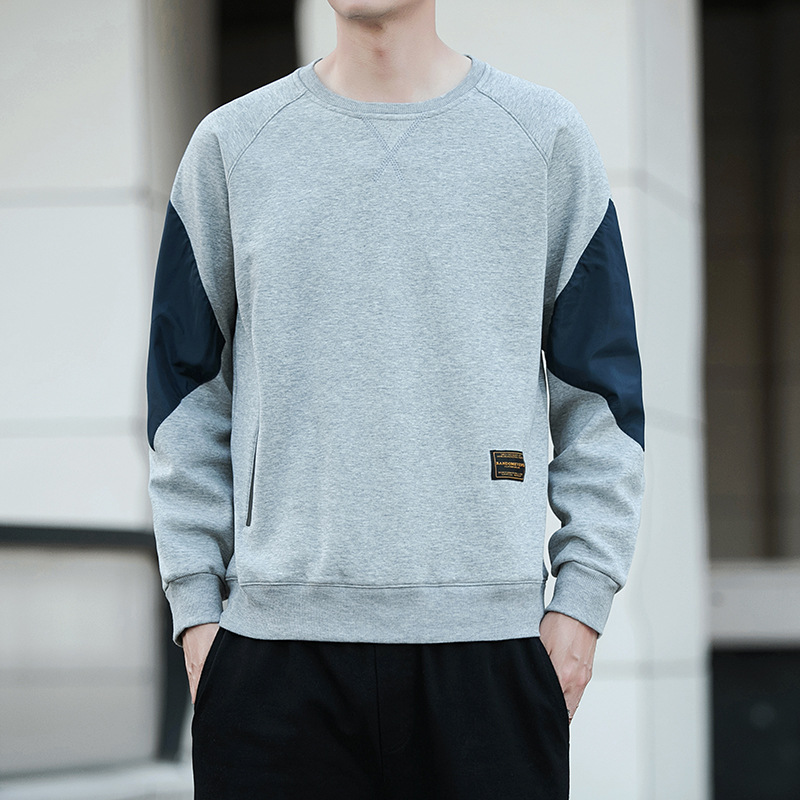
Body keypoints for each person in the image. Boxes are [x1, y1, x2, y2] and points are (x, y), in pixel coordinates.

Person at [145, 0, 645, 797]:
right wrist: (197, 609)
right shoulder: (233, 147)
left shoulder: (543, 138)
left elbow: (602, 398)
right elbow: (185, 397)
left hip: (488, 655)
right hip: (272, 659)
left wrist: (582, 601)